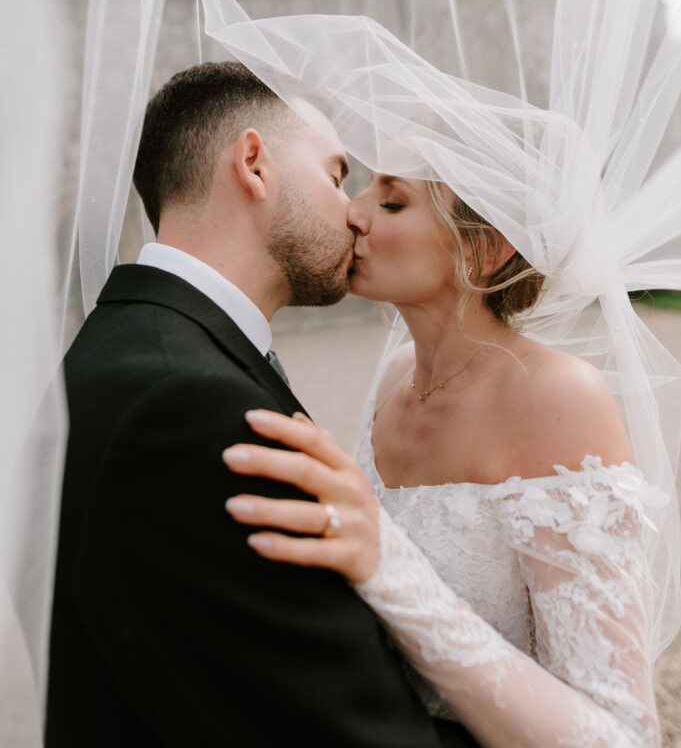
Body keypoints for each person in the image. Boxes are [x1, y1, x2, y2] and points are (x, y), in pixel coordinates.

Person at [45, 61, 480, 747]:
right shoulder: (187, 408)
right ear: (254, 163)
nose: (354, 212)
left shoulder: (125, 348)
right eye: (337, 175)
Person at [224, 171, 664, 747]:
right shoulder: (394, 376)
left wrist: (391, 570)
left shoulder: (557, 397)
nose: (353, 213)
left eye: (391, 201)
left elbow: (620, 737)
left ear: (484, 250)